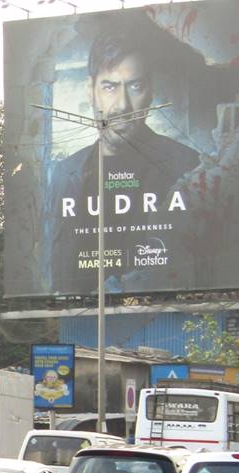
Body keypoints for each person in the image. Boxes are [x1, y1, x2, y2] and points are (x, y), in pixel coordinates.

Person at [46, 20, 200, 294]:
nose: (122, 105)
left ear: (150, 92)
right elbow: (58, 272)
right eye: (109, 87)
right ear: (90, 90)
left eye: (135, 86)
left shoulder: (186, 166)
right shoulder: (64, 173)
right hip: (83, 319)